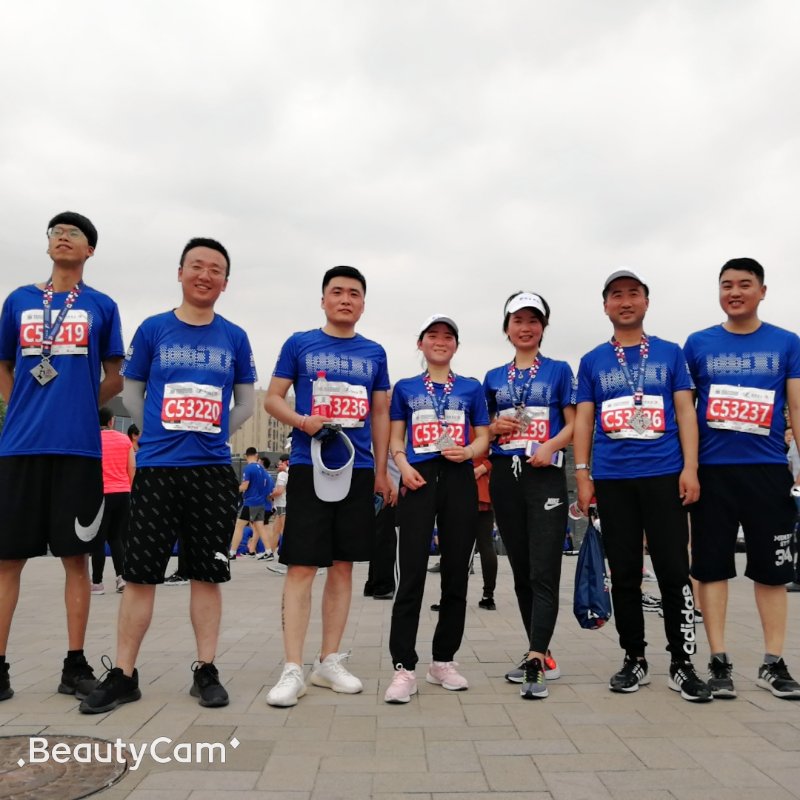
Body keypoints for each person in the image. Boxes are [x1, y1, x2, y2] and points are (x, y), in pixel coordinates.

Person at [80, 237, 256, 714]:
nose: (205, 275)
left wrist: (215, 432)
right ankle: (124, 673)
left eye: (215, 269)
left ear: (225, 282)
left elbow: (246, 402)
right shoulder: (154, 329)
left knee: (207, 574)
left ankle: (206, 669)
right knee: (140, 575)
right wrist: (157, 433)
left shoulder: (234, 337)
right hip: (157, 470)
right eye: (196, 265)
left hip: (212, 471)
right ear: (180, 273)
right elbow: (131, 392)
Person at [0, 211, 124, 702]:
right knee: (7, 559)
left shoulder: (102, 305)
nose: (63, 238)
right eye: (56, 233)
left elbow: (115, 375)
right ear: (48, 245)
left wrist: (81, 405)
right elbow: (3, 364)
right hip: (20, 447)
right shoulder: (18, 300)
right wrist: (20, 405)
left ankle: (74, 665)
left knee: (76, 558)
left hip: (78, 448)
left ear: (89, 249)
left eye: (74, 233)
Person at [574, 269, 712, 702]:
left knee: (673, 570)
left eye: (633, 293)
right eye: (616, 295)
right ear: (605, 306)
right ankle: (634, 657)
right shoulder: (592, 360)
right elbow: (584, 419)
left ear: (646, 302)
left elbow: (685, 412)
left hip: (664, 474)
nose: (626, 301)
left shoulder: (670, 353)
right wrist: (582, 473)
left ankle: (682, 663)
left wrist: (690, 468)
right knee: (625, 573)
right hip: (613, 478)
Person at [264, 266, 391, 707]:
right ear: (323, 300)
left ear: (363, 304)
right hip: (308, 466)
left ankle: (328, 660)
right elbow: (273, 398)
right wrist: (303, 422)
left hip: (358, 468)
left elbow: (379, 412)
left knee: (343, 566)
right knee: (301, 567)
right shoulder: (299, 344)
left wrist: (380, 470)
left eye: (354, 293)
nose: (345, 299)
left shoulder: (374, 353)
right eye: (337, 292)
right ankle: (292, 668)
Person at [684, 257, 800, 699]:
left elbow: (796, 405)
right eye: (727, 285)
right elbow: (685, 411)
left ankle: (773, 662)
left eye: (745, 284)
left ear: (762, 291)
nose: (735, 292)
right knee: (711, 567)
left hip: (767, 471)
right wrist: (688, 467)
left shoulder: (786, 342)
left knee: (772, 571)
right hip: (712, 473)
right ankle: (719, 660)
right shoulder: (698, 344)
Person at [384, 314, 490, 703]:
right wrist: (403, 465)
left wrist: (470, 451)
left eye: (448, 336)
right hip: (418, 478)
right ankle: (403, 667)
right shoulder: (405, 388)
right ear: (421, 343)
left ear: (456, 346)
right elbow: (396, 437)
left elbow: (484, 436)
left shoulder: (471, 388)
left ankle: (443, 660)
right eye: (433, 335)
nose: (440, 341)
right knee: (411, 573)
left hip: (459, 478)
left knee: (456, 573)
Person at [483, 292, 575, 699]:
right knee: (520, 569)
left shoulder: (559, 371)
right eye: (517, 320)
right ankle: (541, 652)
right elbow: (482, 426)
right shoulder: (492, 377)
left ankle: (536, 658)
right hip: (506, 475)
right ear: (507, 328)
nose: (525, 327)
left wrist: (551, 445)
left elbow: (575, 422)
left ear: (543, 327)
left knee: (544, 570)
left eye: (533, 320)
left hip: (544, 474)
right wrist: (493, 427)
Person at [91, 407, 135, 595]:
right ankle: (121, 578)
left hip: (100, 494)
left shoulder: (92, 440)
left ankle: (97, 583)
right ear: (111, 421)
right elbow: (132, 467)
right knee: (116, 538)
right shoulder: (125, 440)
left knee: (98, 540)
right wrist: (130, 489)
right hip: (123, 493)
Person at [229, 447, 269, 559]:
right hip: (261, 502)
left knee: (239, 526)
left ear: (246, 456)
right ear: (256, 455)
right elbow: (267, 485)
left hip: (251, 502)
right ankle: (269, 551)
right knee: (260, 527)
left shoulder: (249, 468)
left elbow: (245, 486)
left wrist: (233, 490)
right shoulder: (262, 469)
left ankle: (232, 552)